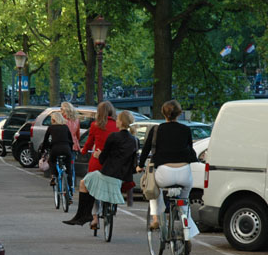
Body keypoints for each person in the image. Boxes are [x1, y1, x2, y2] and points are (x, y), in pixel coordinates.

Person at [137, 100, 199, 238]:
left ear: (163, 113)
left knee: (153, 190)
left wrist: (140, 165)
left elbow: (146, 149)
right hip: (184, 173)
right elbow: (190, 149)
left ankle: (156, 219)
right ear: (179, 113)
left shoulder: (156, 130)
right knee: (184, 200)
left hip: (164, 173)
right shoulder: (186, 129)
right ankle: (186, 226)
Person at [63, 111, 138, 226]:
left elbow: (103, 159)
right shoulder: (134, 140)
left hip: (108, 174)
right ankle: (103, 210)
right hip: (122, 177)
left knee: (84, 183)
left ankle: (84, 214)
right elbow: (133, 162)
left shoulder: (113, 136)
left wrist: (99, 155)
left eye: (117, 119)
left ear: (121, 122)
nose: (116, 121)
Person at [81, 101, 118, 228]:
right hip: (113, 161)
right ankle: (112, 205)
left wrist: (84, 151)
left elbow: (89, 142)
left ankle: (95, 217)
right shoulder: (118, 125)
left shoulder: (95, 125)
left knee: (93, 188)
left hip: (98, 161)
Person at [39, 112, 73, 187]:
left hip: (55, 149)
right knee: (68, 166)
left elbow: (45, 140)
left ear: (53, 120)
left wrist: (43, 150)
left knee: (51, 161)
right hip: (66, 148)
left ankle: (53, 176)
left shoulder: (51, 128)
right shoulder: (65, 127)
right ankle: (70, 186)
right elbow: (71, 140)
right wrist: (70, 150)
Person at [61, 102, 81, 190]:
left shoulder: (61, 120)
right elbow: (78, 134)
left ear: (65, 110)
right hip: (73, 145)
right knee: (71, 166)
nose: (60, 111)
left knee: (61, 163)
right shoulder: (76, 120)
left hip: (63, 144)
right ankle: (71, 186)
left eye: (61, 109)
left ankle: (61, 181)